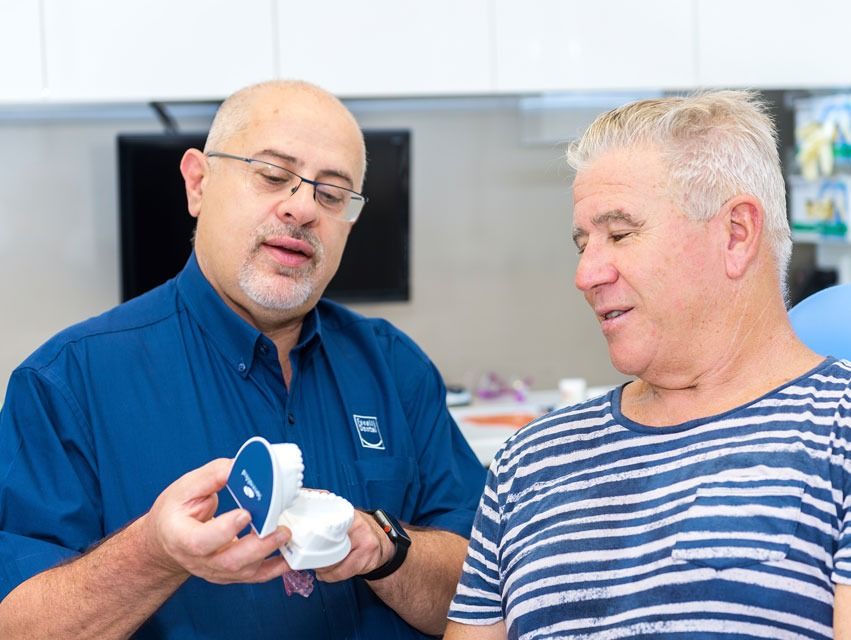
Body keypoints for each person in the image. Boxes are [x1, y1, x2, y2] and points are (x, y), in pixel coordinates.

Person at [0, 80, 485, 639]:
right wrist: (155, 552)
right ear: (199, 183)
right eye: (274, 175)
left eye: (332, 194)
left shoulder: (395, 368)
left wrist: (385, 546)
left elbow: (485, 588)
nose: (302, 207)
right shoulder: (67, 382)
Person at [445, 90, 851, 639]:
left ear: (736, 234)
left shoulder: (838, 431)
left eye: (620, 234)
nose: (586, 275)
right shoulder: (529, 462)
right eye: (583, 243)